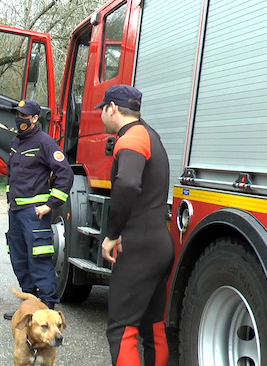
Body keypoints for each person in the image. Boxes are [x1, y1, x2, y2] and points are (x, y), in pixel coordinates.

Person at [95, 84, 174, 366]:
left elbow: (128, 184)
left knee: (122, 328)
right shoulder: (151, 135)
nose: (101, 115)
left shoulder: (131, 137)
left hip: (138, 246)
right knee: (153, 326)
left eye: (102, 109)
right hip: (159, 243)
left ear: (112, 109)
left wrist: (112, 234)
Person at [3, 100, 73, 321]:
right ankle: (29, 303)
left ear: (35, 118)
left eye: (24, 115)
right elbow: (12, 175)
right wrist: (8, 199)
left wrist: (50, 204)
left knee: (39, 258)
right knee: (19, 258)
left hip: (34, 214)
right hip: (16, 211)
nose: (20, 119)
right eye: (18, 114)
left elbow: (65, 174)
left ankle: (47, 304)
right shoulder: (16, 143)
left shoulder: (45, 143)